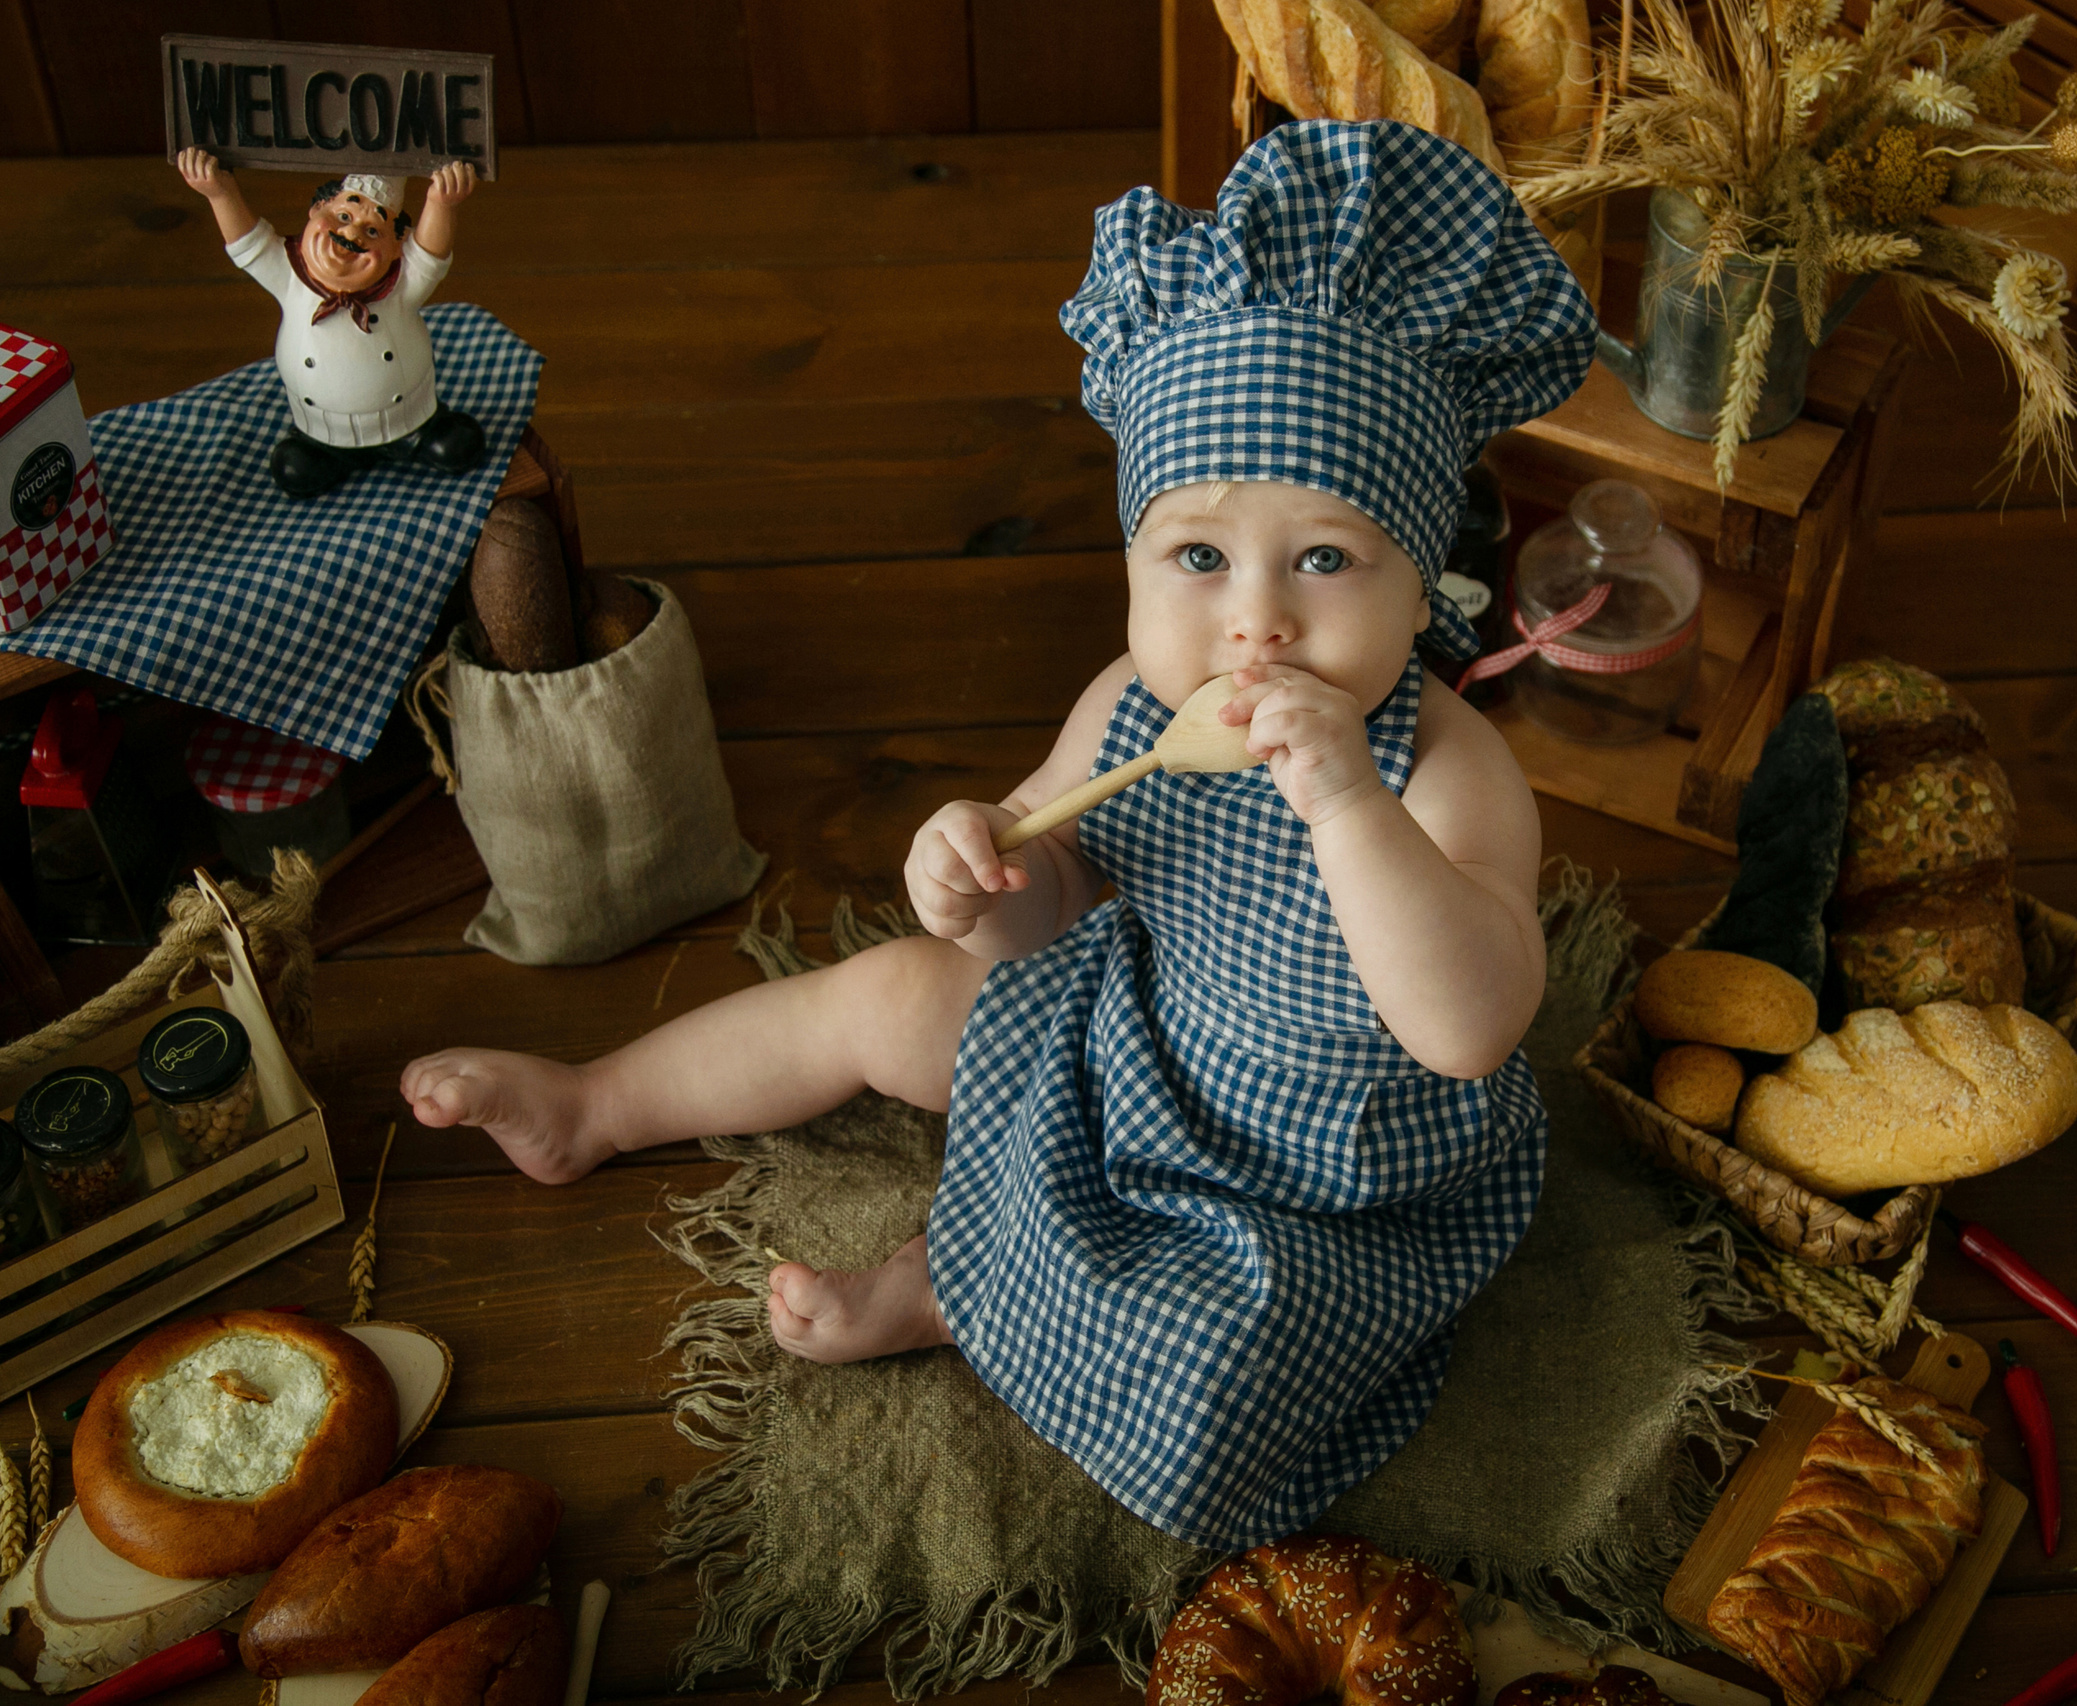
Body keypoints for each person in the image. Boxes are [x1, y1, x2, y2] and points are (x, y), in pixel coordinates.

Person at [399, 120, 1598, 1549]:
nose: (1256, 618)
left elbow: (1467, 1027)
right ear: (1136, 562)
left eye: (1328, 559)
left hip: (1327, 1174)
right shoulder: (1132, 710)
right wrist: (981, 864)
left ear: (1422, 586)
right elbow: (1051, 911)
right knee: (900, 987)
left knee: (1221, 1356)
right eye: (1198, 557)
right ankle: (596, 1102)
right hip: (1141, 1047)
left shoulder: (1446, 773)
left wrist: (1343, 800)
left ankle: (943, 1285)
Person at [173, 154, 486, 497]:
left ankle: (421, 435)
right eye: (342, 215)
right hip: (323, 430)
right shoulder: (289, 274)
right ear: (317, 209)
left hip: (407, 418)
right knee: (294, 469)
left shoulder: (399, 286)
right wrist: (220, 194)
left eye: (372, 230)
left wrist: (441, 203)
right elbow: (248, 243)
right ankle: (322, 450)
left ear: (398, 247)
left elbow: (431, 254)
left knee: (460, 445)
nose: (351, 233)